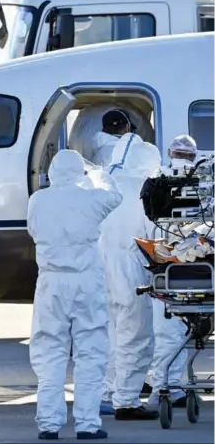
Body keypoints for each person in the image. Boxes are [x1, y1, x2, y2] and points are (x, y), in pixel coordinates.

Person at [27, 150, 123, 440]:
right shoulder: (93, 199)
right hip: (86, 282)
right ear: (79, 173)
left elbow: (33, 231)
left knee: (49, 352)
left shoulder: (37, 200)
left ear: (52, 173)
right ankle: (87, 424)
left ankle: (49, 424)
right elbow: (114, 195)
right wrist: (97, 174)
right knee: (91, 352)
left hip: (51, 282)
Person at [100, 134, 162, 420]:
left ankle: (108, 392)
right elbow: (156, 239)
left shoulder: (106, 184)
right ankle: (126, 400)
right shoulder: (146, 191)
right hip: (130, 269)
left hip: (101, 268)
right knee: (136, 336)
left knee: (110, 335)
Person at [146, 135, 198, 408]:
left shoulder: (155, 183)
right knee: (182, 332)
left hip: (167, 274)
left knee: (167, 333)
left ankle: (163, 386)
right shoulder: (203, 184)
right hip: (198, 274)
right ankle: (171, 385)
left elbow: (149, 231)